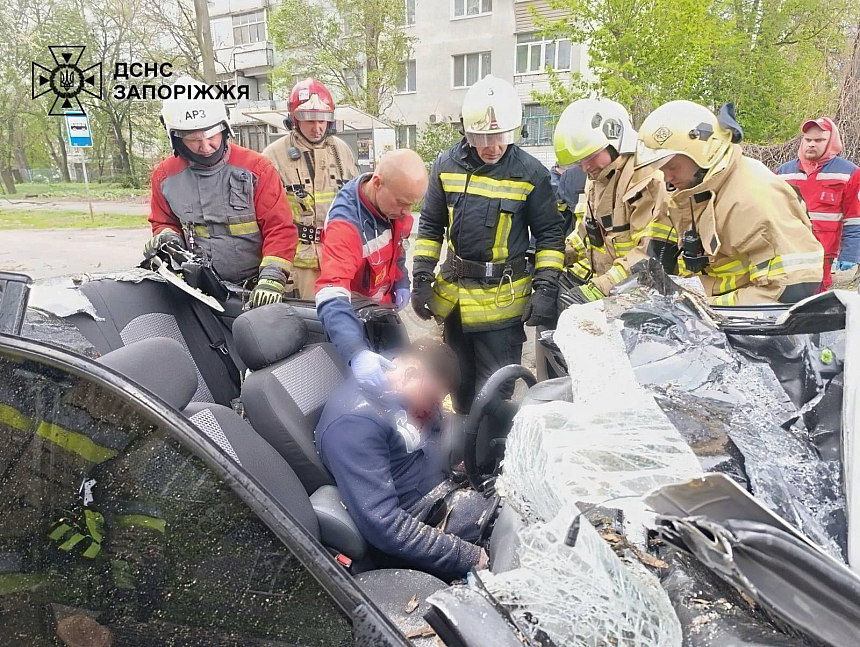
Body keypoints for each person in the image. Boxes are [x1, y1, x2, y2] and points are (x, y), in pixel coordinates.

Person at [411, 75, 565, 414]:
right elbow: (430, 226)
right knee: (459, 387)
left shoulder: (531, 173)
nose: (492, 146)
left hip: (502, 306)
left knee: (495, 395)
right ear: (467, 132)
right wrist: (421, 278)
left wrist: (546, 289)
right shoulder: (445, 166)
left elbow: (550, 236)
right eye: (482, 138)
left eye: (500, 137)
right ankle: (464, 446)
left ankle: (492, 447)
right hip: (456, 301)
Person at [314, 338, 490, 578]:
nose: (435, 407)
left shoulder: (397, 369)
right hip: (417, 518)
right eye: (433, 398)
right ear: (410, 374)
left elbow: (433, 431)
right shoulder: (353, 425)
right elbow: (385, 524)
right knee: (504, 530)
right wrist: (469, 556)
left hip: (440, 487)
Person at [635, 100, 823, 305]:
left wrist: (706, 307)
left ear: (703, 153)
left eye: (672, 166)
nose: (666, 177)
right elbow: (657, 251)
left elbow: (790, 288)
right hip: (711, 309)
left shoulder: (752, 198)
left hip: (750, 318)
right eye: (661, 168)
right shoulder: (686, 192)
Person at [144, 75, 297, 309]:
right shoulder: (165, 176)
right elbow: (164, 222)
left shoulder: (256, 169)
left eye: (212, 136)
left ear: (225, 128)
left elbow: (280, 228)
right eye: (194, 140)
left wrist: (272, 278)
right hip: (198, 292)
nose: (206, 147)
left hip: (253, 291)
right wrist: (168, 238)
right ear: (175, 137)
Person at [315, 149, 428, 390]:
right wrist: (356, 352)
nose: (407, 212)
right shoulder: (345, 225)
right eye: (402, 203)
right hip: (352, 320)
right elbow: (331, 294)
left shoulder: (390, 203)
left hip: (381, 311)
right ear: (377, 183)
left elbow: (397, 247)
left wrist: (401, 282)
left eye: (412, 204)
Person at [553, 98, 675, 305]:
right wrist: (554, 256)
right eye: (578, 161)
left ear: (615, 139)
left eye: (589, 156)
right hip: (615, 296)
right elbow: (587, 235)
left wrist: (601, 287)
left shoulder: (646, 178)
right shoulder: (597, 179)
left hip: (645, 299)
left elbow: (650, 254)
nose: (584, 167)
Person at [263, 78, 360, 299]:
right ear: (294, 119)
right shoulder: (273, 155)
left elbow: (357, 202)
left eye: (322, 120)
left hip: (339, 257)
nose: (317, 128)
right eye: (309, 120)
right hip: (298, 265)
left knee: (340, 313)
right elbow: (266, 218)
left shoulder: (342, 151)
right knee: (305, 317)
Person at [776, 117, 860, 290]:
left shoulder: (849, 173)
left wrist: (850, 254)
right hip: (787, 253)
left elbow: (854, 218)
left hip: (822, 257)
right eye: (808, 140)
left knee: (814, 300)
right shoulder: (783, 173)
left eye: (819, 140)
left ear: (831, 142)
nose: (812, 144)